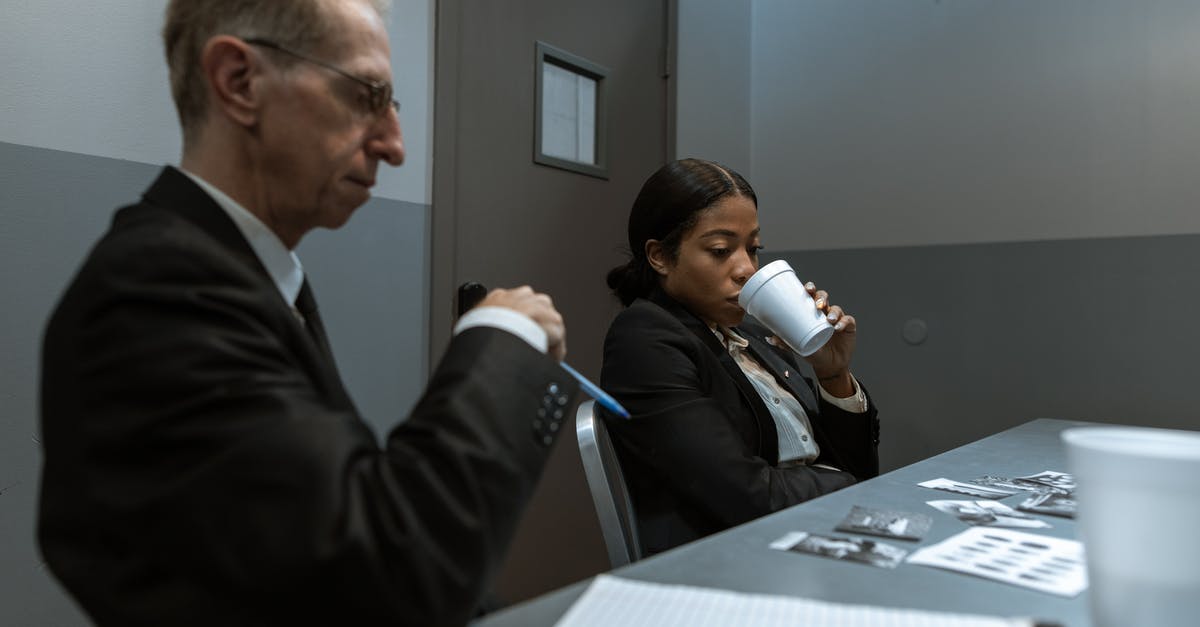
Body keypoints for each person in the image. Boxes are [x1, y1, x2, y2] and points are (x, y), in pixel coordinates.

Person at [38, 1, 575, 625]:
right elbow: (391, 574)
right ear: (240, 81)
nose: (395, 146)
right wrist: (500, 337)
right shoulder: (154, 292)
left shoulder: (244, 278)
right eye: (365, 96)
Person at [601, 158, 880, 555]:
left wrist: (832, 374)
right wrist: (855, 486)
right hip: (732, 557)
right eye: (720, 250)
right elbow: (745, 494)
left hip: (809, 534)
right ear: (659, 256)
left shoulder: (753, 334)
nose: (747, 269)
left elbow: (857, 462)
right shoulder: (645, 338)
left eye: (753, 249)